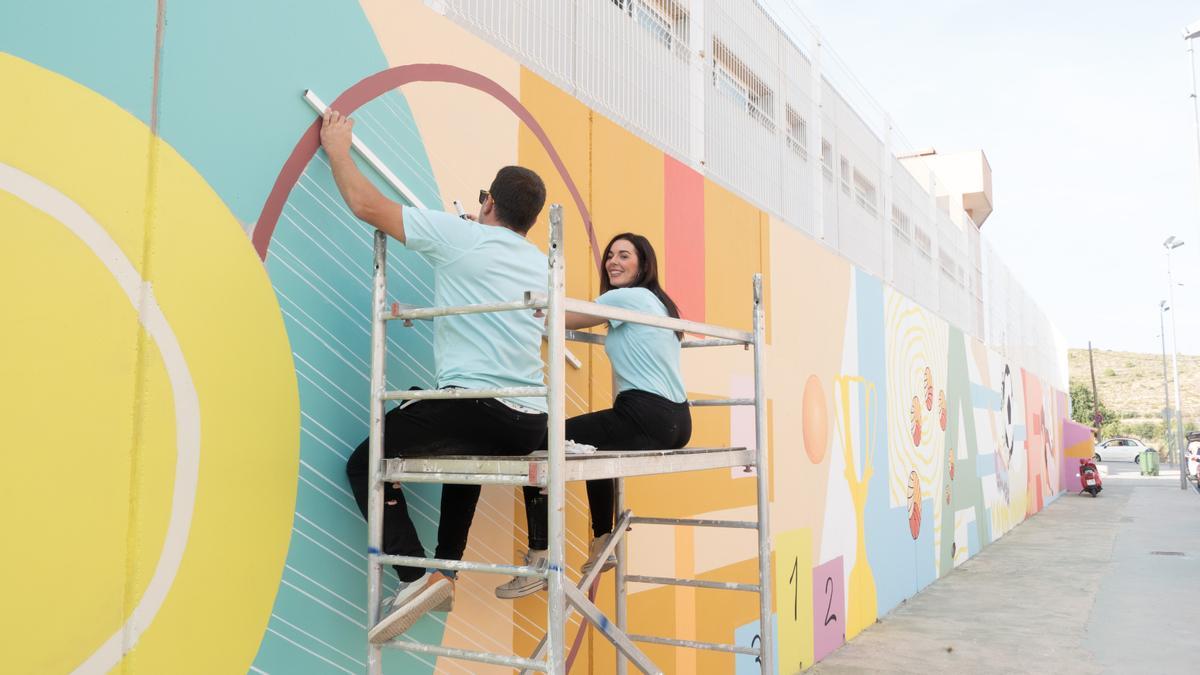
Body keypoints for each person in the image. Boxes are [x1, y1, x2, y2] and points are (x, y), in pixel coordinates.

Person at [319, 110, 550, 643]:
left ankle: (418, 575)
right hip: (528, 422)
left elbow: (366, 205)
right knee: (465, 458)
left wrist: (338, 149)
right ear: (529, 221)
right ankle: (445, 571)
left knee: (365, 463)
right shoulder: (540, 264)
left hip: (479, 404)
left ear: (487, 203)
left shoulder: (460, 237)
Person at [495, 233, 691, 599]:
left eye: (624, 256)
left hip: (645, 413)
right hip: (677, 421)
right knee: (592, 447)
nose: (613, 262)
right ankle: (603, 540)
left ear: (643, 265)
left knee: (541, 443)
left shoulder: (624, 297)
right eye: (610, 256)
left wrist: (517, 301)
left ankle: (540, 557)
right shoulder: (658, 303)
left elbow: (561, 319)